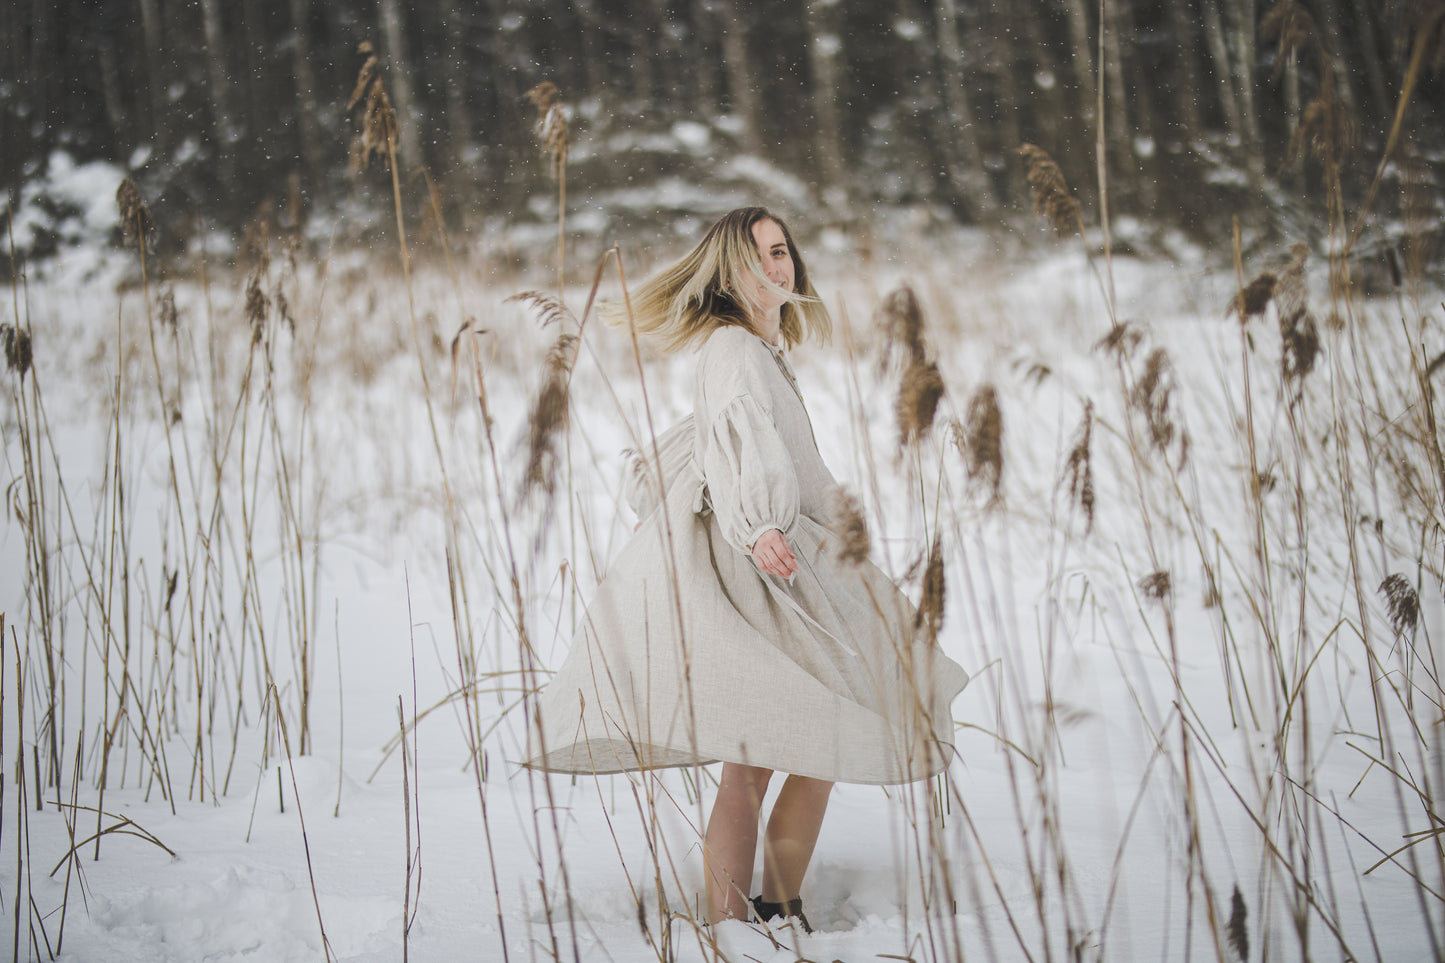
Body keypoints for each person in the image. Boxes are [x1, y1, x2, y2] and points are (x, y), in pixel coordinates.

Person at [524, 206, 969, 931]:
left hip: (785, 554)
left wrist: (686, 492)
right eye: (760, 255)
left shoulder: (755, 351)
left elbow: (704, 438)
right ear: (729, 271)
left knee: (810, 738)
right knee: (756, 759)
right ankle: (734, 924)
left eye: (782, 251)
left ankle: (774, 906)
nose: (777, 266)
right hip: (761, 566)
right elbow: (736, 439)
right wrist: (757, 518)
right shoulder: (733, 347)